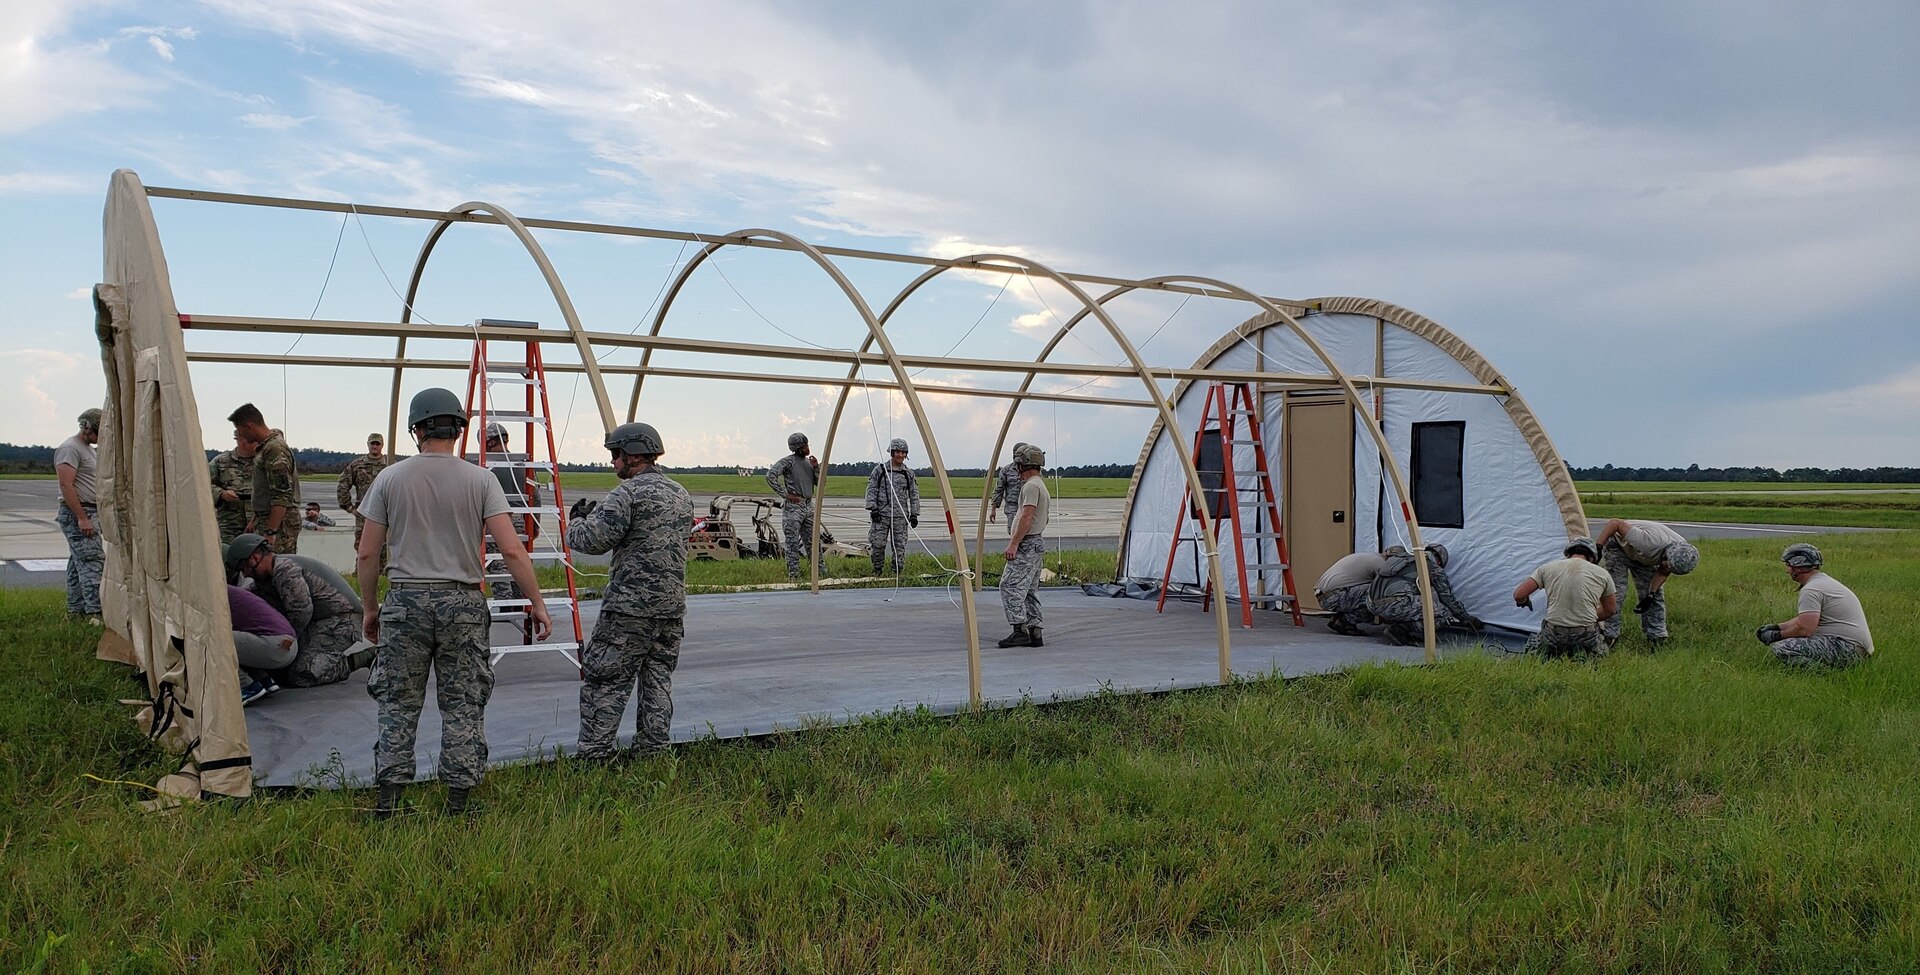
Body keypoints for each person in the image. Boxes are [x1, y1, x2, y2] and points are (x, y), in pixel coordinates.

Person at [356, 388, 551, 818]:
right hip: (461, 602)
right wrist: (536, 602)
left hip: (405, 602)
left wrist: (371, 609)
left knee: (397, 702)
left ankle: (389, 802)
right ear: (459, 429)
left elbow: (368, 554)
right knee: (463, 702)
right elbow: (513, 550)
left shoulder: (388, 479)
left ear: (418, 428)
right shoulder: (480, 479)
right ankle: (459, 803)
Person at [566, 421, 693, 760]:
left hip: (629, 609)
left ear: (632, 455)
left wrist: (576, 521)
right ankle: (653, 751)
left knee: (605, 680)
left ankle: (594, 755)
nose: (612, 462)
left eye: (615, 455)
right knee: (658, 680)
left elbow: (592, 541)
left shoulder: (627, 494)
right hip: (670, 608)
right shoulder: (680, 494)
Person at [226, 532, 372, 687]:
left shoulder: (285, 570)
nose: (245, 574)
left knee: (301, 674)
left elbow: (301, 611)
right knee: (281, 672)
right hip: (319, 623)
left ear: (254, 558)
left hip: (341, 622)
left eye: (244, 568)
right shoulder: (264, 580)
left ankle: (362, 658)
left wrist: (287, 641)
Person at [1756, 543, 1874, 668]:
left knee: (1782, 647)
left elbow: (1805, 629)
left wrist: (1777, 636)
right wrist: (1777, 627)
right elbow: (1806, 619)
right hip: (1856, 648)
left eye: (1789, 565)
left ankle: (1824, 673)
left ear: (1799, 567)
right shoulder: (1822, 582)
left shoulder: (1811, 590)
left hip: (1848, 649)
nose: (1787, 570)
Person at [1593, 518, 1700, 648]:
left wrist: (1650, 594)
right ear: (1666, 556)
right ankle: (1609, 635)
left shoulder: (1681, 552)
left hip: (1644, 556)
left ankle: (1657, 636)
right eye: (1668, 565)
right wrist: (1598, 547)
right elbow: (1615, 523)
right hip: (1619, 546)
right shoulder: (1650, 542)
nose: (1667, 568)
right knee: (1616, 594)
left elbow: (1663, 572)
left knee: (1655, 597)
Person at [1513, 537, 1618, 658]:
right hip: (1585, 633)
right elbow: (1610, 609)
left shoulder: (1547, 568)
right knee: (1599, 653)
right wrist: (1587, 616)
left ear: (1568, 553)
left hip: (1553, 632)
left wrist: (1525, 601)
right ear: (1592, 557)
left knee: (1535, 648)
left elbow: (1518, 595)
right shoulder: (1602, 574)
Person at [1365, 543, 1483, 647]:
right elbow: (1447, 598)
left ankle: (1398, 624)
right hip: (1393, 605)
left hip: (1370, 604)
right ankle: (1400, 630)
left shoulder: (1402, 558)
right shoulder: (1432, 566)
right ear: (1439, 561)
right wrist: (1466, 618)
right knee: (1444, 613)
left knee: (1413, 602)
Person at [227, 402, 301, 554]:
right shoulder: (264, 449)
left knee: (277, 567)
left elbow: (281, 495)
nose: (240, 436)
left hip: (280, 525)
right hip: (266, 520)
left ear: (249, 426)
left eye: (240, 431)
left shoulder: (274, 450)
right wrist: (255, 520)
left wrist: (272, 531)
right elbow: (266, 490)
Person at [480, 421, 542, 601]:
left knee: (498, 565)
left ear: (490, 442)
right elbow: (535, 496)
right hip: (521, 521)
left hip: (495, 521)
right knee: (520, 563)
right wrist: (535, 525)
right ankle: (521, 602)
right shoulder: (521, 463)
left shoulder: (486, 467)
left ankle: (505, 604)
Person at [997, 443, 1051, 648]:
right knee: (1029, 589)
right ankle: (1035, 630)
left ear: (1022, 464)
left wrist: (1014, 544)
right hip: (1036, 542)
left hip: (1027, 543)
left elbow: (1027, 517)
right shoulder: (1040, 484)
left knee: (1009, 585)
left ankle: (1019, 629)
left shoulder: (1030, 487)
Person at [54, 408, 105, 621]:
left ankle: (76, 611)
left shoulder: (88, 449)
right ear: (86, 427)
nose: (98, 438)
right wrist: (82, 517)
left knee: (78, 564)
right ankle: (96, 613)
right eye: (96, 432)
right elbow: (66, 484)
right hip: (79, 512)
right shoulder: (70, 448)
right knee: (93, 562)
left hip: (90, 510)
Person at [764, 432, 827, 579]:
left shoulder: (809, 463)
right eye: (804, 446)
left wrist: (816, 468)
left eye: (807, 445)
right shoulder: (788, 462)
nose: (807, 449)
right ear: (797, 448)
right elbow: (770, 475)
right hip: (794, 507)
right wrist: (785, 494)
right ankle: (794, 575)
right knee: (792, 543)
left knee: (814, 542)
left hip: (808, 505)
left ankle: (820, 573)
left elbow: (821, 484)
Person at [228, 583, 297, 706]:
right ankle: (264, 680)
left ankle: (246, 686)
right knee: (239, 641)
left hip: (273, 646)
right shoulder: (232, 591)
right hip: (290, 645)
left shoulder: (214, 594)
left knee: (212, 638)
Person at [863, 438, 920, 575]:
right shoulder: (880, 470)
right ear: (892, 452)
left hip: (900, 517)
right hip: (881, 516)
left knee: (899, 546)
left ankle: (897, 572)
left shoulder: (908, 474)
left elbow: (914, 494)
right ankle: (877, 570)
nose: (900, 455)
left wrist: (914, 514)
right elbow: (871, 489)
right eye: (897, 452)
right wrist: (873, 508)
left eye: (903, 452)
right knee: (878, 544)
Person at [1313, 547, 1401, 636]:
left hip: (1324, 595)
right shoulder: (1380, 564)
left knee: (1372, 590)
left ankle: (1338, 619)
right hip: (1333, 597)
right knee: (1378, 596)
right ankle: (1344, 621)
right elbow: (1388, 589)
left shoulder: (1372, 557)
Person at [336, 432, 389, 557]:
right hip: (364, 514)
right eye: (372, 443)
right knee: (362, 550)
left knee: (385, 549)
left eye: (377, 444)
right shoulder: (357, 465)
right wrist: (349, 507)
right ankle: (360, 575)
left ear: (382, 445)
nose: (375, 446)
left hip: (386, 514)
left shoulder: (389, 465)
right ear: (368, 445)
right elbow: (343, 484)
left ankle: (383, 576)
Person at [209, 430, 257, 545]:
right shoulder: (220, 462)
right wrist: (221, 494)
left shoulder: (263, 462)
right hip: (229, 525)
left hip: (257, 525)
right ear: (240, 441)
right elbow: (204, 486)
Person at [987, 443, 1029, 533]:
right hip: (1012, 507)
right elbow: (999, 490)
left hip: (1028, 506)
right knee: (1014, 532)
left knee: (1028, 533)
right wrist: (993, 510)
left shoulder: (1031, 470)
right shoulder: (1006, 470)